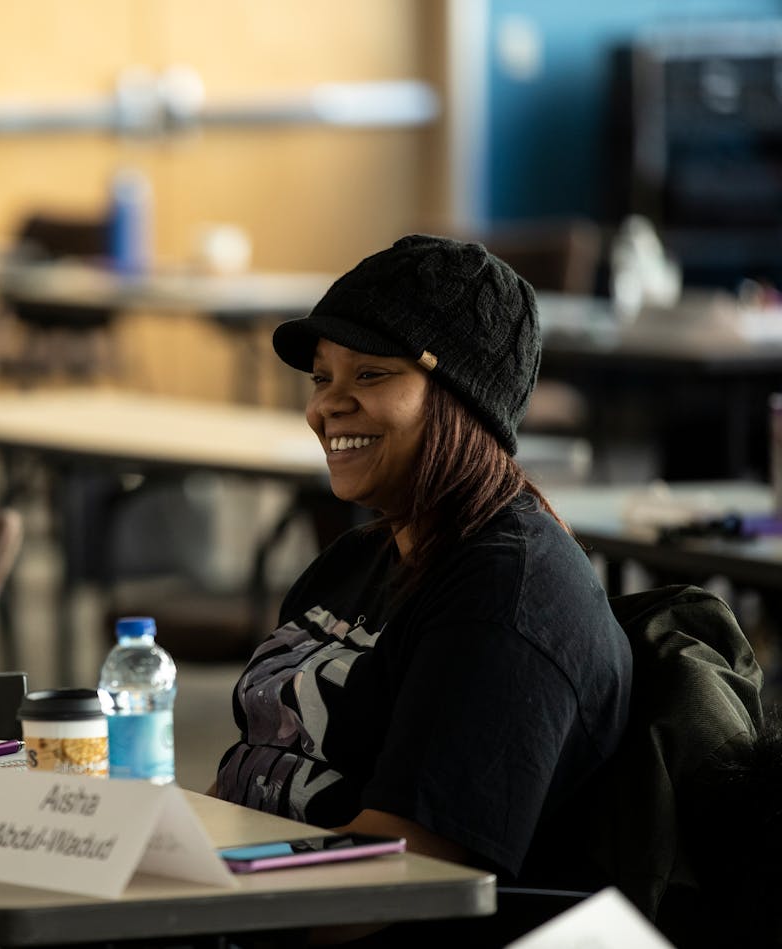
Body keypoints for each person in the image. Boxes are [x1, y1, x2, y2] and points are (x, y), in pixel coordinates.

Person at [212, 235, 632, 942]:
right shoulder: (358, 558)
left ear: (461, 398)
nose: (326, 409)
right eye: (322, 379)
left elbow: (391, 881)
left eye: (370, 375)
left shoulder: (509, 597)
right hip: (234, 899)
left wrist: (174, 900)